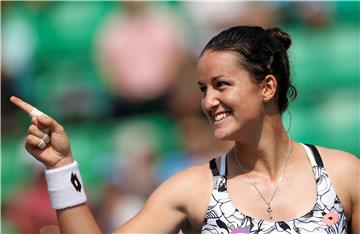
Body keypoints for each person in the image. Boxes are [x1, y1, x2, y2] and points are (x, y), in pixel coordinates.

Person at [10, 26, 358, 234]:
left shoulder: (345, 174)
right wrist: (60, 166)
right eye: (204, 89)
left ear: (267, 87)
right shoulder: (190, 189)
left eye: (222, 85)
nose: (209, 102)